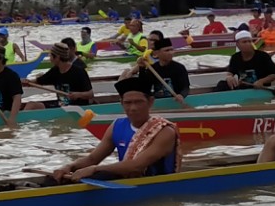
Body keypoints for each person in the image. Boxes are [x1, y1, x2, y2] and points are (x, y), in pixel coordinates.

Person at [47, 75, 180, 182]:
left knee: (95, 174)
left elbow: (136, 166)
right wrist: (69, 166)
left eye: (138, 102)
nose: (133, 108)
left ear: (150, 102)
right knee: (52, 180)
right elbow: (93, 159)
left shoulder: (164, 131)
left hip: (153, 183)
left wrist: (94, 169)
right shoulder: (116, 126)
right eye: (128, 103)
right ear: (121, 103)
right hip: (126, 179)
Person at [25, 43, 92, 104]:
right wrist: (26, 82)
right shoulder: (55, 71)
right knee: (32, 105)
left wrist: (78, 95)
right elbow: (39, 81)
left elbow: (90, 94)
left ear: (57, 57)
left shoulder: (79, 71)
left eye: (50, 55)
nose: (50, 59)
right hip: (62, 107)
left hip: (77, 109)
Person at [141, 33, 191, 105]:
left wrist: (181, 95)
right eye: (167, 50)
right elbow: (144, 88)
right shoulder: (152, 69)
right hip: (158, 102)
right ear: (157, 53)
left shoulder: (179, 68)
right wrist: (141, 68)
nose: (171, 53)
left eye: (172, 50)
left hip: (176, 101)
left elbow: (186, 87)